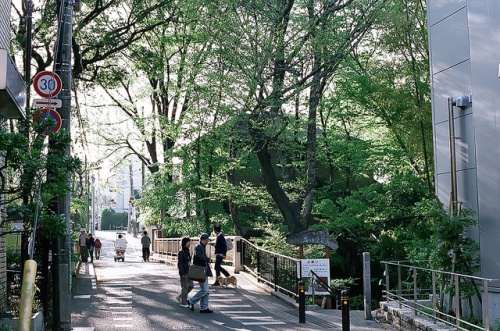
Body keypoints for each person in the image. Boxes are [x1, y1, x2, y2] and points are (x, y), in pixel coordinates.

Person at [187, 233, 213, 313]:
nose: (208, 241)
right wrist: (207, 259)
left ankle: (204, 307)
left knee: (206, 290)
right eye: (207, 240)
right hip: (200, 270)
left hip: (202, 270)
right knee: (205, 290)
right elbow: (198, 256)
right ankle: (191, 301)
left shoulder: (200, 246)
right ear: (204, 240)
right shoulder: (199, 246)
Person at [177, 237, 194, 307]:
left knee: (191, 286)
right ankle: (183, 303)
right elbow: (179, 263)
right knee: (185, 287)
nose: (189, 244)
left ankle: (180, 296)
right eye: (188, 242)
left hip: (188, 271)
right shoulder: (181, 252)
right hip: (183, 272)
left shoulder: (188, 251)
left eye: (190, 242)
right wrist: (182, 273)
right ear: (184, 243)